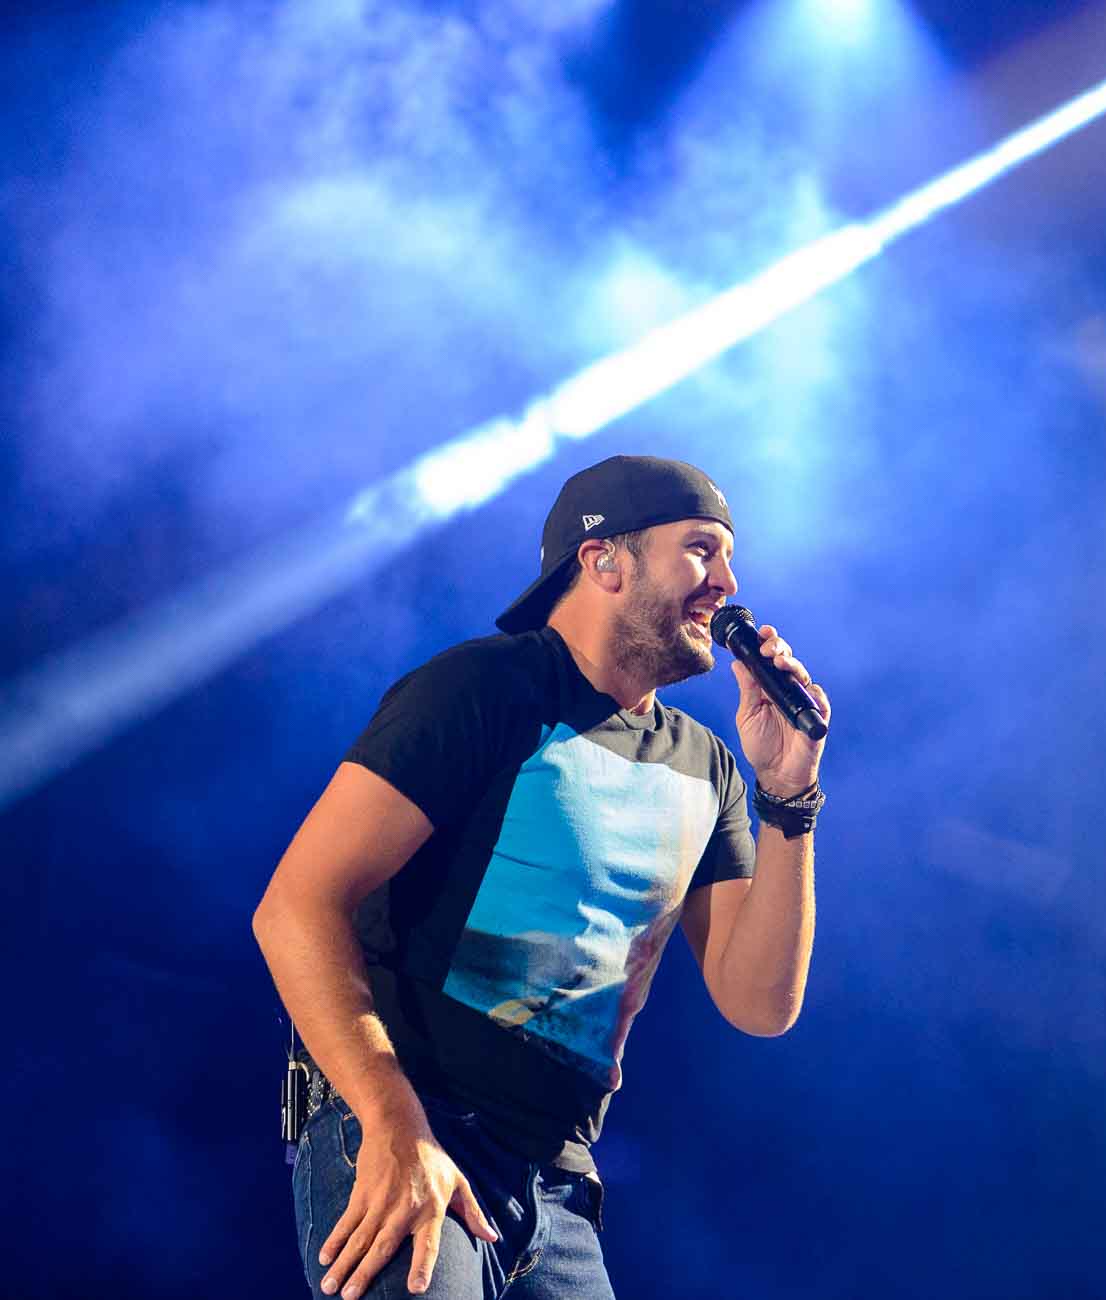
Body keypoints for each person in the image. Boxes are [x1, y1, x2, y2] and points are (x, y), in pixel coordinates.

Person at [252, 455, 828, 1300]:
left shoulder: (709, 769)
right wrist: (390, 1116)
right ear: (605, 561)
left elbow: (759, 1003)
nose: (728, 584)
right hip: (413, 1121)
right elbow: (295, 905)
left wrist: (789, 797)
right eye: (703, 550)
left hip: (558, 1189)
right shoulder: (487, 688)